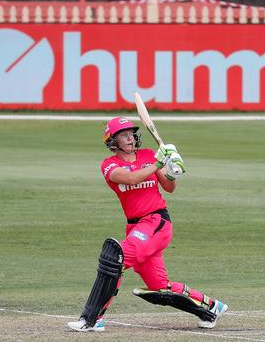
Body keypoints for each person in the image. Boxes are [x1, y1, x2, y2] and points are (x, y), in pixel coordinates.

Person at [67, 116, 228, 332]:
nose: (130, 138)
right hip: (135, 227)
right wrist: (159, 163)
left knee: (115, 258)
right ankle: (210, 308)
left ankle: (91, 319)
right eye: (123, 135)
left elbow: (169, 188)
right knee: (159, 287)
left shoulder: (149, 155)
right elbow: (131, 178)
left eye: (131, 133)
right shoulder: (109, 165)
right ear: (112, 141)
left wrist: (172, 170)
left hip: (156, 221)